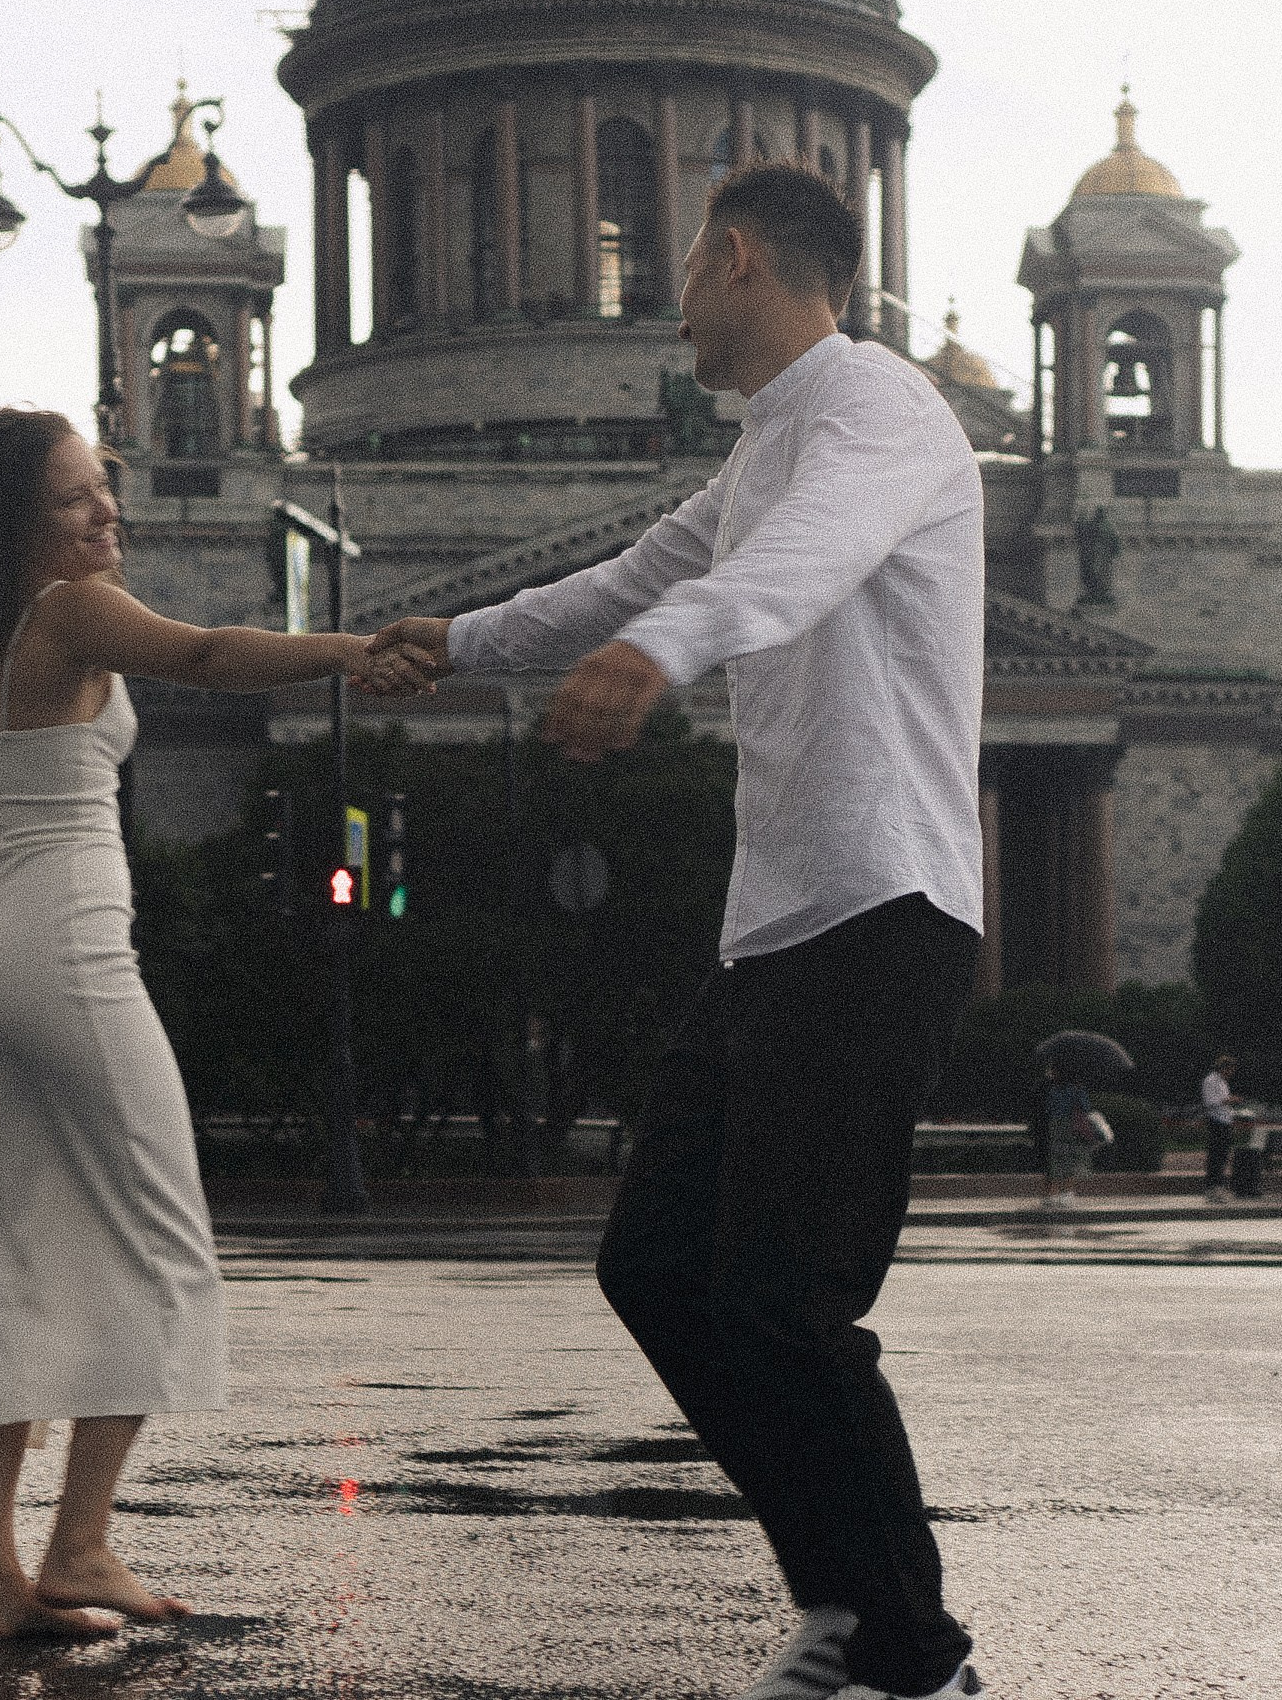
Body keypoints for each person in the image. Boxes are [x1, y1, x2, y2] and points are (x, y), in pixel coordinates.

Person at [373, 162, 987, 1700]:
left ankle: (912, 1656)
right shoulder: (764, 443)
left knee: (790, 1299)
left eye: (691, 267)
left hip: (884, 904)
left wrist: (659, 654)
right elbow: (628, 577)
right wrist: (457, 639)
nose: (676, 303)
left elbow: (800, 563)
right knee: (656, 1265)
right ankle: (847, 1602)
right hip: (776, 929)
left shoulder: (880, 411)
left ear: (738, 257)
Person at [0, 408, 425, 1644]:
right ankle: (79, 1543)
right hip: (67, 960)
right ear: (16, 527)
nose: (107, 512)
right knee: (161, 1239)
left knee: (15, 1265)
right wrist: (352, 649)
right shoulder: (68, 613)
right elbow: (206, 653)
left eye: (104, 488)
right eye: (75, 498)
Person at [1041, 1063, 1096, 1210]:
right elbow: (1086, 1107)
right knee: (1070, 1158)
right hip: (1072, 1126)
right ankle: (1067, 1193)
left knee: (1056, 1158)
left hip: (1055, 1125)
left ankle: (1053, 1194)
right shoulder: (1077, 1089)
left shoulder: (1052, 1090)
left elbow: (1048, 1108)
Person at [1200, 1055, 1238, 1202]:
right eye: (1230, 1070)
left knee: (1223, 1156)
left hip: (1225, 1121)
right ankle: (1212, 1188)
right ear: (1224, 1068)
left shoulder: (1222, 1082)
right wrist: (1228, 1100)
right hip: (1216, 1122)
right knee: (1215, 1156)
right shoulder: (1211, 1080)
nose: (1231, 1073)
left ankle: (1218, 1187)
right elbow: (1209, 1102)